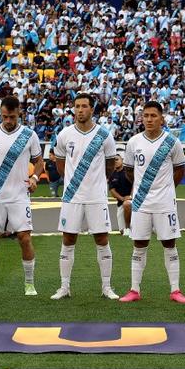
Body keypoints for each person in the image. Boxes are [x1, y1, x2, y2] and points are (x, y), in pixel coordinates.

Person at [0, 96, 44, 296]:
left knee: (24, 238)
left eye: (12, 117)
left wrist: (35, 177)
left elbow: (39, 162)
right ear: (0, 113)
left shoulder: (29, 135)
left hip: (20, 195)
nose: (8, 121)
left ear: (19, 113)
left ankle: (29, 283)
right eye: (5, 117)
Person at [118, 101, 185, 303]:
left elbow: (180, 170)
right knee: (139, 244)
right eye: (146, 116)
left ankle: (175, 290)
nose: (149, 119)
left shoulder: (171, 142)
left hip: (165, 202)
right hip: (141, 202)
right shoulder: (133, 142)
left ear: (161, 118)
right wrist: (143, 188)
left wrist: (166, 189)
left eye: (153, 116)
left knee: (169, 244)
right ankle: (134, 290)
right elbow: (129, 171)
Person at [50, 93, 119, 300]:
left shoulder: (104, 135)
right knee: (68, 239)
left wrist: (97, 182)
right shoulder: (64, 135)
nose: (80, 110)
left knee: (102, 238)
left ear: (92, 110)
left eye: (84, 106)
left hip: (97, 196)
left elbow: (109, 165)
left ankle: (106, 287)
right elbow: (60, 164)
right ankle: (64, 287)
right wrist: (73, 181)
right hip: (72, 195)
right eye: (77, 106)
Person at [108, 155, 133, 234]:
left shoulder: (128, 172)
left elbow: (135, 184)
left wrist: (131, 196)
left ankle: (128, 228)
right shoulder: (112, 175)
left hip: (132, 201)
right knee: (121, 231)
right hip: (120, 202)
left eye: (117, 159)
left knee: (127, 204)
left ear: (122, 160)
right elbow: (112, 190)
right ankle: (125, 229)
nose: (115, 161)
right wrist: (122, 198)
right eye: (114, 160)